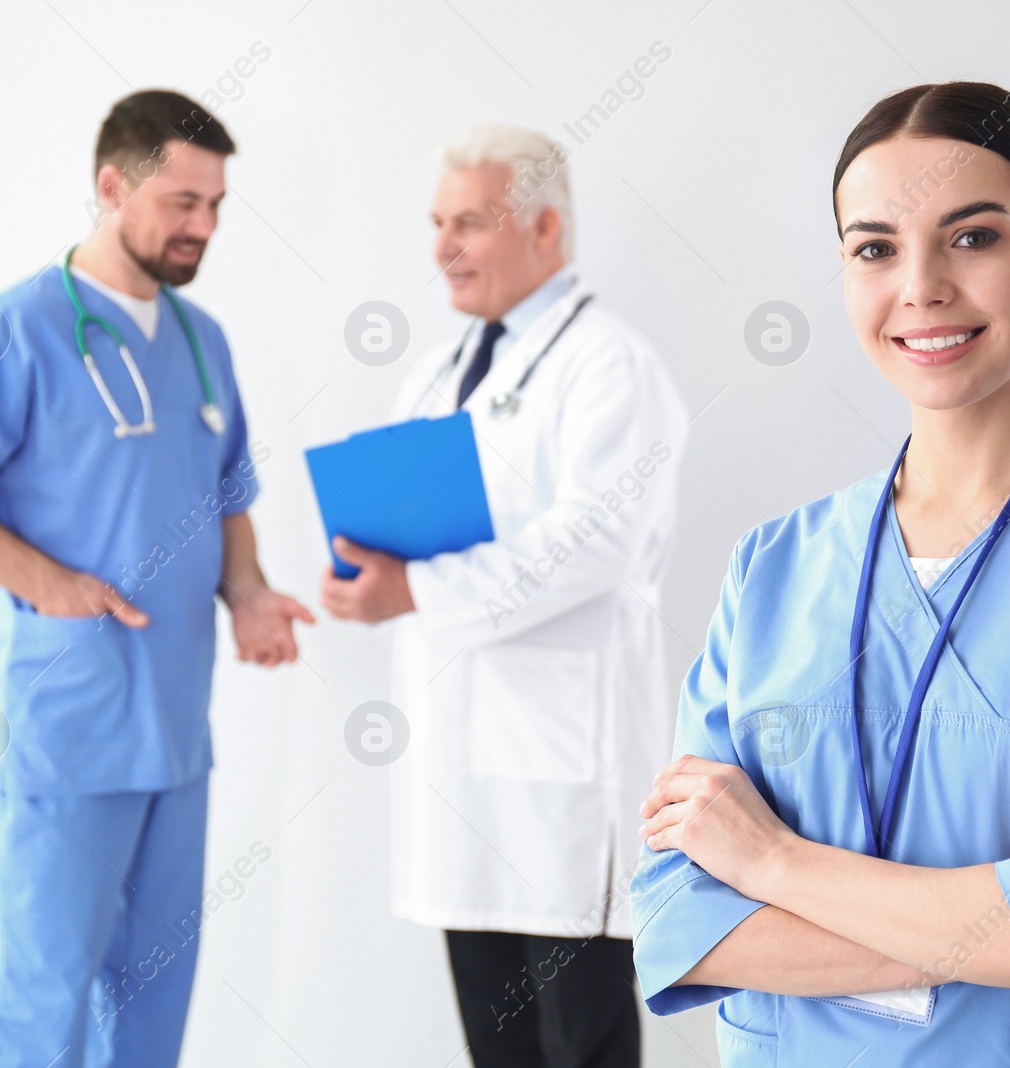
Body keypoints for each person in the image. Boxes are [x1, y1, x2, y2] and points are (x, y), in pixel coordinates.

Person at [631, 81, 1010, 1065]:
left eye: (973, 237)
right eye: (874, 247)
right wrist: (994, 908)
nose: (919, 285)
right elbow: (678, 926)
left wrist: (771, 861)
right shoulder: (772, 567)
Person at [0, 90, 313, 1068]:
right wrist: (48, 582)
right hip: (66, 735)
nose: (203, 227)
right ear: (111, 185)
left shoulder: (203, 341)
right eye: (182, 202)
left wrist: (249, 594)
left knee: (150, 1014)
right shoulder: (11, 332)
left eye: (217, 205)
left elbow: (227, 487)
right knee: (42, 1010)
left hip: (176, 739)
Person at [320, 123, 688, 1067]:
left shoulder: (609, 364)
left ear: (546, 229)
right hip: (461, 782)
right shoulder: (438, 376)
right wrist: (372, 575)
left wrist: (417, 587)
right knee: (499, 1048)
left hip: (566, 779)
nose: (443, 246)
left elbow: (597, 541)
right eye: (437, 222)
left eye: (470, 222)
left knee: (584, 1045)